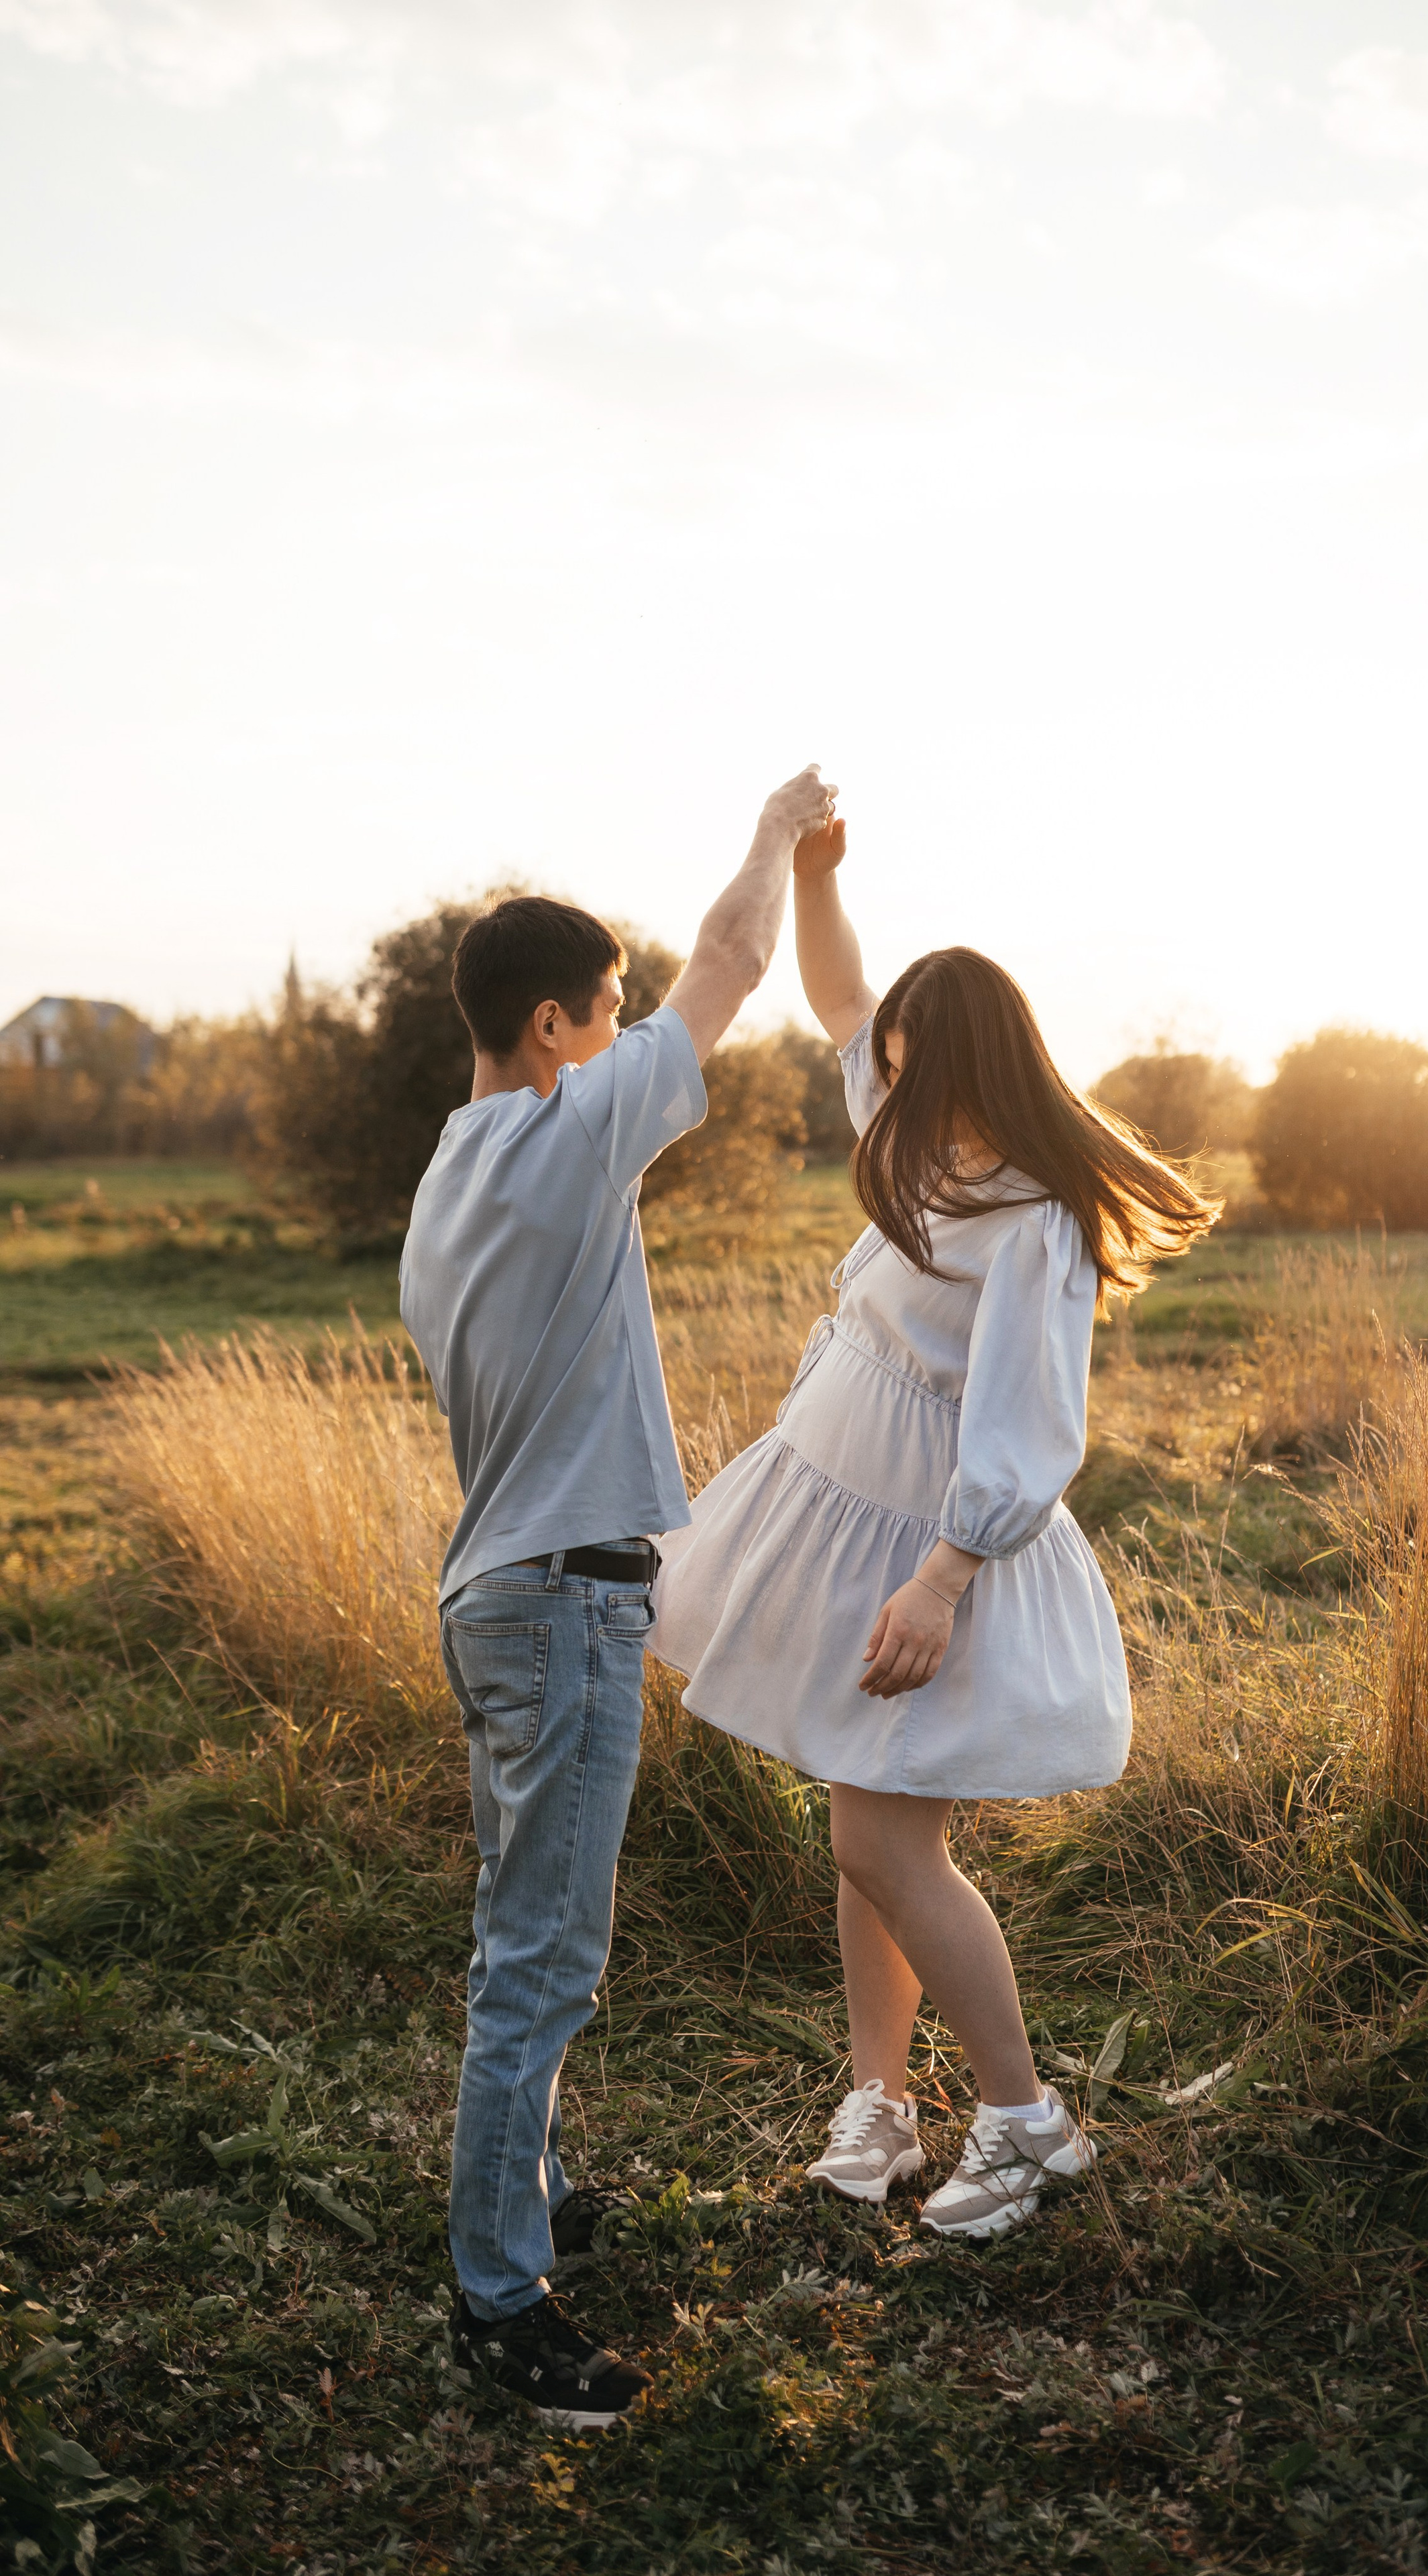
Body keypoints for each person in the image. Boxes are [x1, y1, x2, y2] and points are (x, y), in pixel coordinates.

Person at [652, 821, 1218, 2240]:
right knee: (859, 1829)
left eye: (908, 1057)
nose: (881, 1069)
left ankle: (1027, 2123)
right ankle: (883, 2101)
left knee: (894, 1847)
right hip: (842, 1520)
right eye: (884, 1057)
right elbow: (837, 998)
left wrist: (941, 1577)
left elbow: (1028, 1424)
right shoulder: (915, 1145)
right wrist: (819, 878)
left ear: (964, 1065)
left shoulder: (1029, 1215)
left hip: (925, 1555)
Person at [399, 763, 836, 2426]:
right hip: (565, 1602)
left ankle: (537, 2190)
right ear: (551, 1026)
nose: (620, 1031)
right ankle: (497, 2297)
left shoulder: (441, 1192)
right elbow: (726, 963)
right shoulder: (569, 1132)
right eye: (600, 1011)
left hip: (493, 1592)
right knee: (543, 1961)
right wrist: (777, 835)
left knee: (515, 1930)